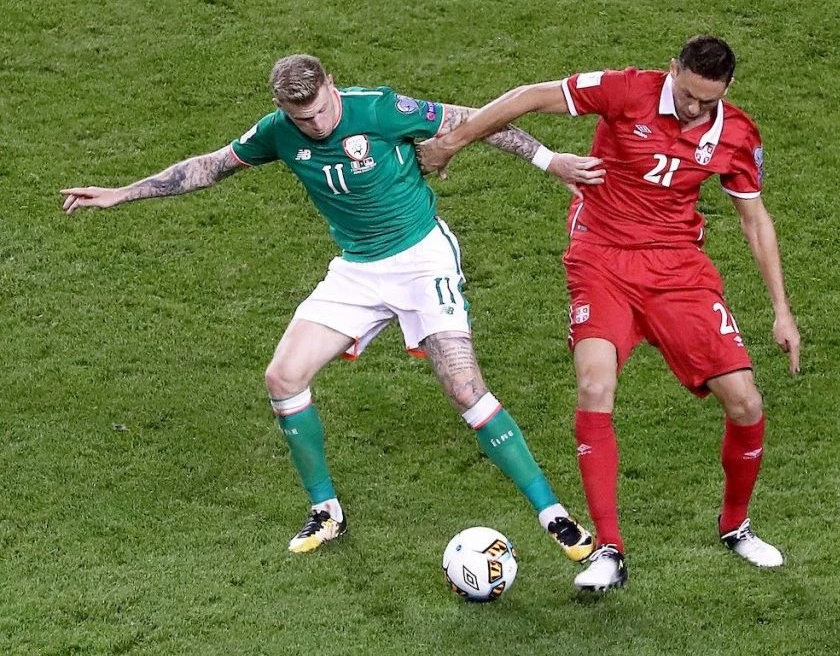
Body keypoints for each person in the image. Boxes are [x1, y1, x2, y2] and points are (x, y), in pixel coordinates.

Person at [61, 53, 606, 561]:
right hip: (357, 270)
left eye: (322, 110)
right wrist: (123, 192)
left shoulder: (380, 109)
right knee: (283, 377)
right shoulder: (277, 131)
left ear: (332, 86)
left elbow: (477, 120)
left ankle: (553, 515)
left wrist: (549, 160)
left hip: (422, 259)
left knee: (465, 387)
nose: (317, 125)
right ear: (282, 108)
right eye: (303, 118)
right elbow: (212, 166)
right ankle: (326, 511)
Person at [418, 35, 801, 590]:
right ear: (672, 70)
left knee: (745, 402)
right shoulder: (627, 90)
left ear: (728, 88)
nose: (694, 108)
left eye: (708, 100)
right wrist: (454, 141)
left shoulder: (737, 134)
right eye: (688, 94)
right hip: (601, 258)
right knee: (595, 386)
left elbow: (754, 219)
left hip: (677, 269)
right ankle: (608, 550)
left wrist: (781, 311)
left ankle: (736, 526)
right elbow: (529, 96)